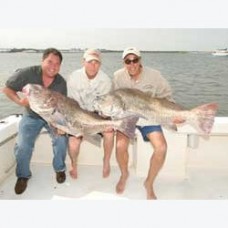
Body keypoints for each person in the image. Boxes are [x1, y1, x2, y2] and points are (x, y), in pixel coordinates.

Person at [112, 47, 177, 200]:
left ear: (140, 60)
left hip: (148, 116)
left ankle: (149, 182)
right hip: (127, 116)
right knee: (120, 146)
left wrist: (173, 114)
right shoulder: (117, 76)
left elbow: (167, 96)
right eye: (128, 61)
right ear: (124, 63)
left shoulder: (155, 76)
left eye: (135, 60)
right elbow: (115, 98)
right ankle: (124, 174)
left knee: (161, 147)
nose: (132, 64)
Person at [3, 48, 68, 195]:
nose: (53, 66)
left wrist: (60, 125)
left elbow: (62, 107)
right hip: (32, 115)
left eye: (57, 63)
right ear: (42, 60)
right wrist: (20, 102)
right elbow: (7, 88)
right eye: (50, 61)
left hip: (52, 116)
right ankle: (23, 175)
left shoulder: (61, 83)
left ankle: (60, 169)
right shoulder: (28, 73)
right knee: (22, 145)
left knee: (61, 140)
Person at [67, 48, 114, 179]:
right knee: (73, 142)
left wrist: (103, 116)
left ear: (100, 64)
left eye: (96, 62)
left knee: (109, 133)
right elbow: (71, 102)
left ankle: (106, 161)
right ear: (83, 62)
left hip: (97, 115)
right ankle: (74, 164)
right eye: (90, 62)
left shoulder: (105, 80)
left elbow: (105, 106)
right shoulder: (73, 77)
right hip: (77, 113)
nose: (93, 65)